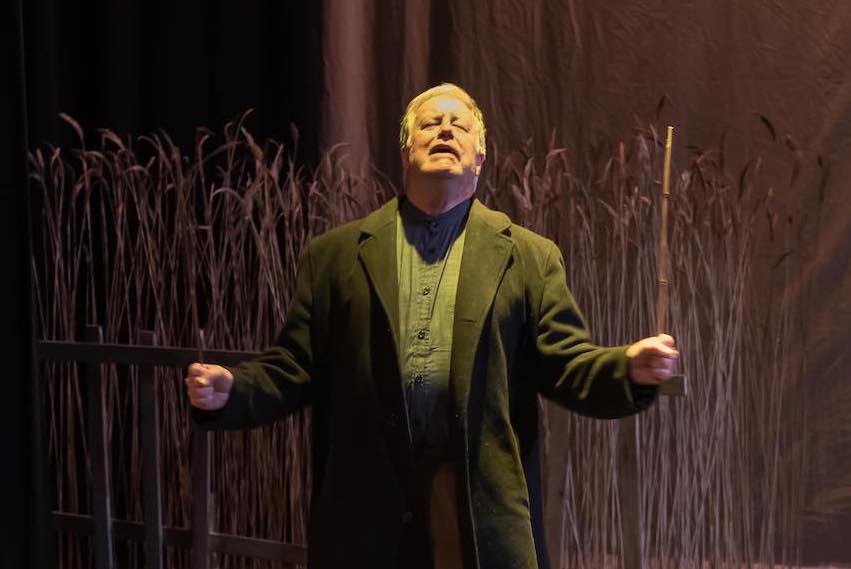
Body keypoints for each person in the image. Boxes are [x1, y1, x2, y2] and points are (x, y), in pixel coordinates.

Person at [186, 83, 678, 569]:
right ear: (405, 152)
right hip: (367, 509)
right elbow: (293, 367)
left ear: (480, 156)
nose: (445, 130)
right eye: (430, 124)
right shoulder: (334, 257)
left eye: (459, 124)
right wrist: (233, 390)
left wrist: (629, 368)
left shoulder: (528, 257)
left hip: (474, 508)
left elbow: (567, 363)